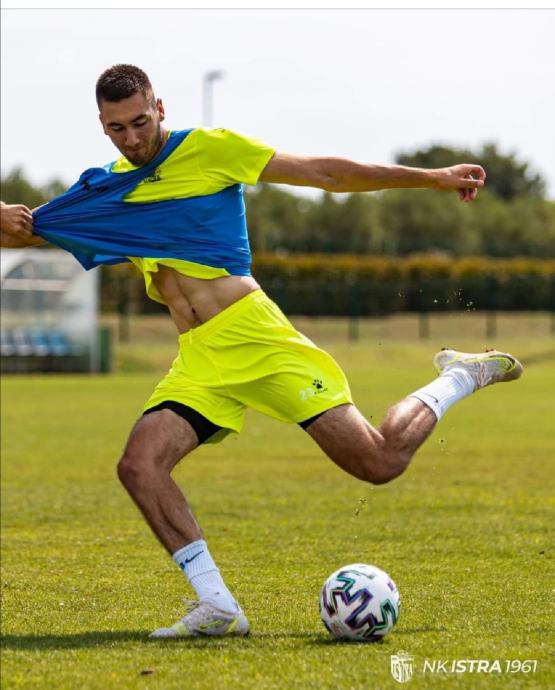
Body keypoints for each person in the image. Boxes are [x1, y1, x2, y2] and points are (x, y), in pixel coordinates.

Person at [0, 64, 523, 639]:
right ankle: (218, 606)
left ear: (160, 108)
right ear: (102, 125)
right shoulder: (107, 192)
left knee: (378, 463)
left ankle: (459, 376)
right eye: (116, 128)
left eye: (140, 122)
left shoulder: (210, 150)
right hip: (200, 358)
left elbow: (324, 173)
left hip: (256, 338)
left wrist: (431, 177)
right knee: (139, 466)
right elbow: (23, 229)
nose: (131, 137)